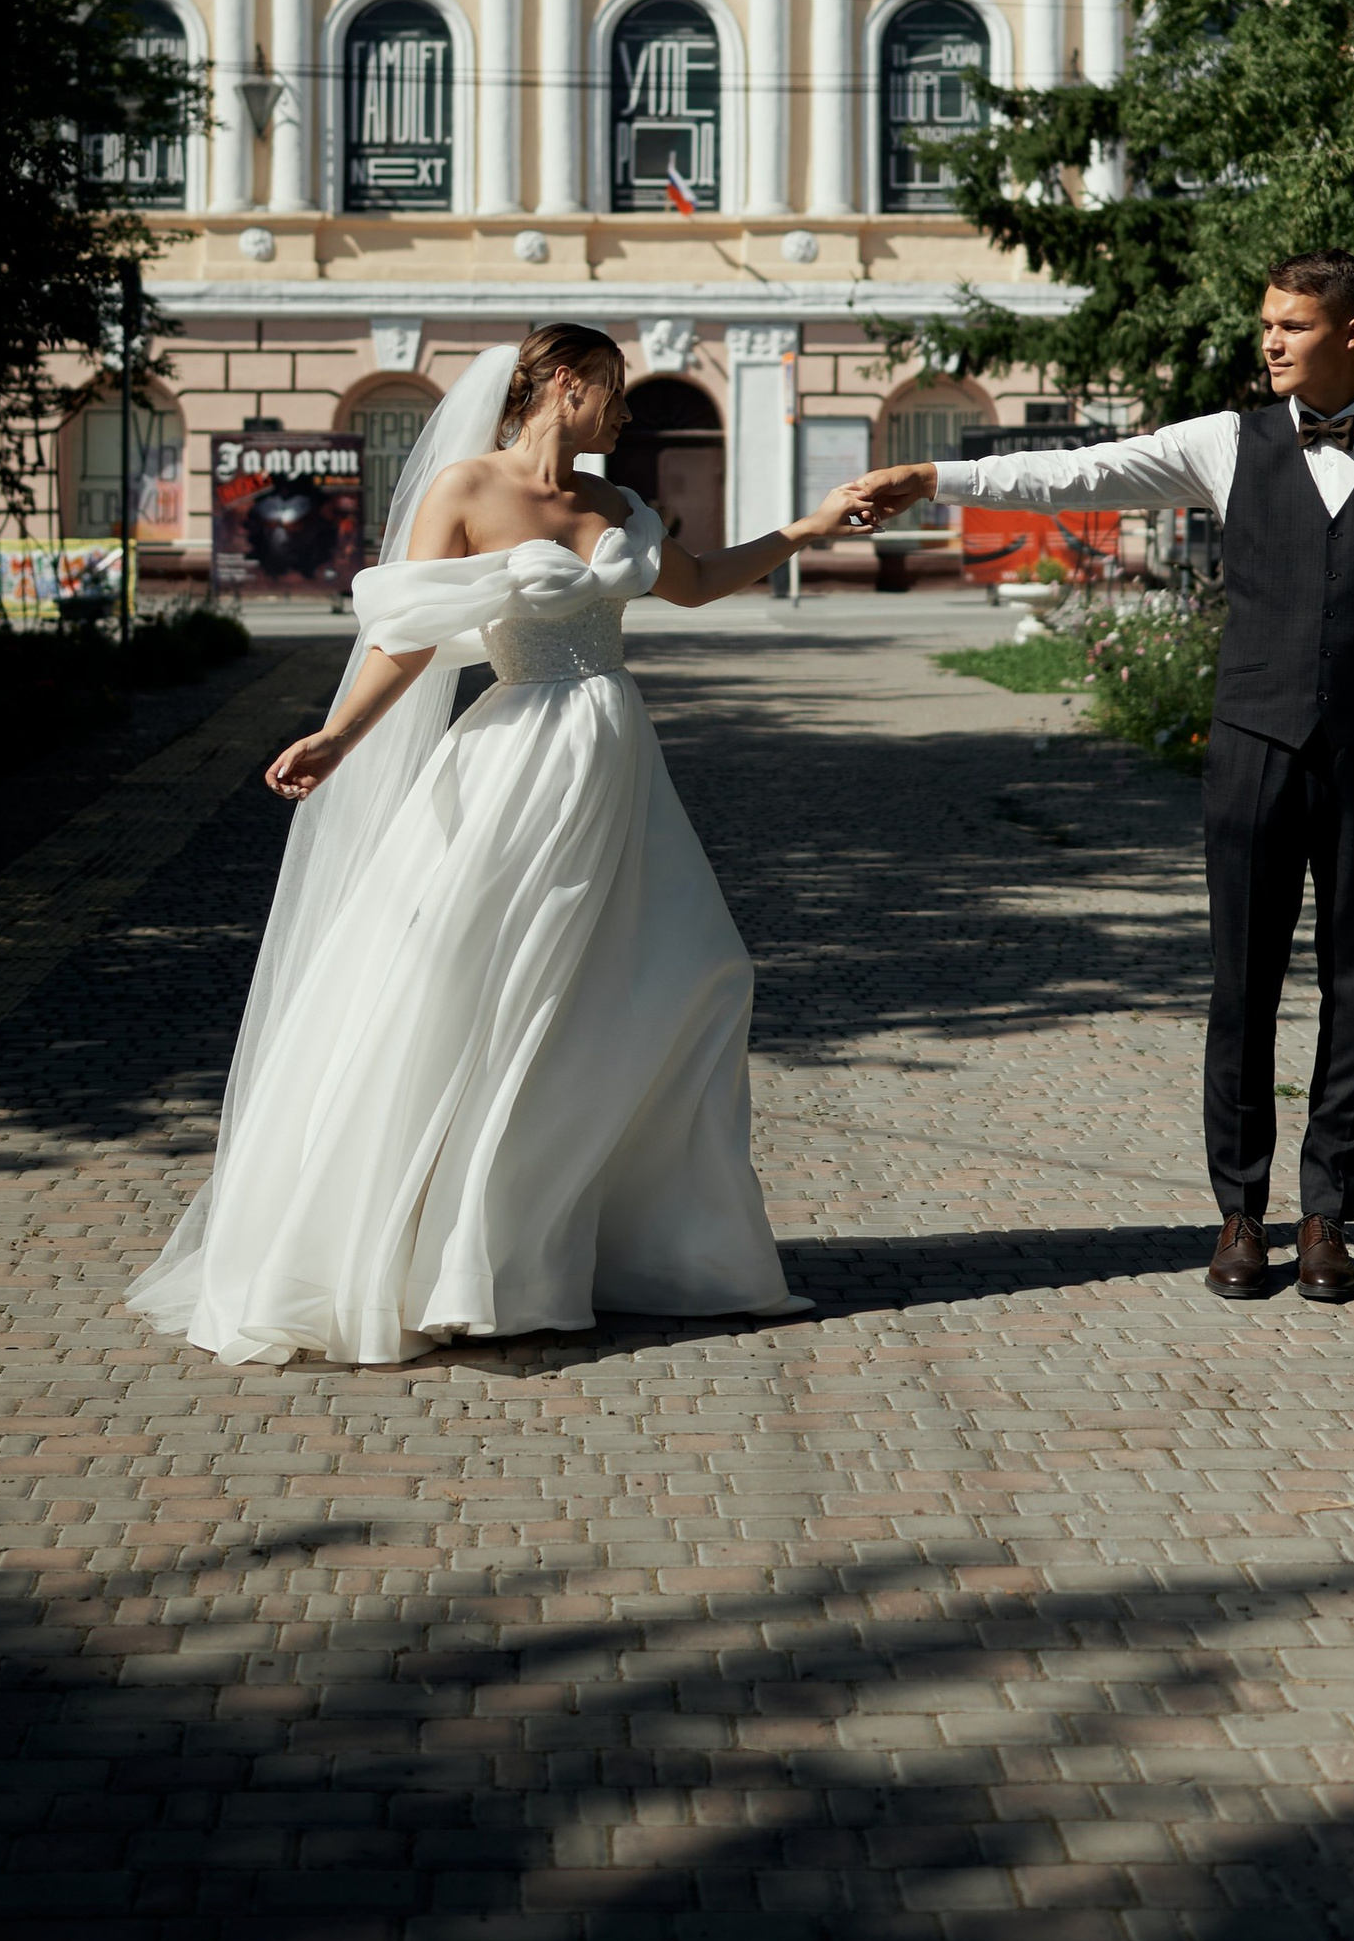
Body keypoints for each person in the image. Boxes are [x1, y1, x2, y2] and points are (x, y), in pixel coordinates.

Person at [131, 325, 865, 1367]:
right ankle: (461, 1260)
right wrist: (338, 737)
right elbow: (407, 635)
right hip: (515, 762)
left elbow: (694, 584)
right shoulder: (465, 490)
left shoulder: (614, 504)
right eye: (613, 394)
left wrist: (810, 525)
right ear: (566, 386)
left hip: (617, 768)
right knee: (488, 990)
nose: (624, 415)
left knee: (686, 978)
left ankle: (630, 1244)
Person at [852, 254, 1354, 1306]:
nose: (1271, 342)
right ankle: (1239, 1213)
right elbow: (1075, 472)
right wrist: (936, 479)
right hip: (1250, 747)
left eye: (1293, 325)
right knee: (1240, 984)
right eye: (1266, 325)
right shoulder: (1223, 444)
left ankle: (1327, 1214)